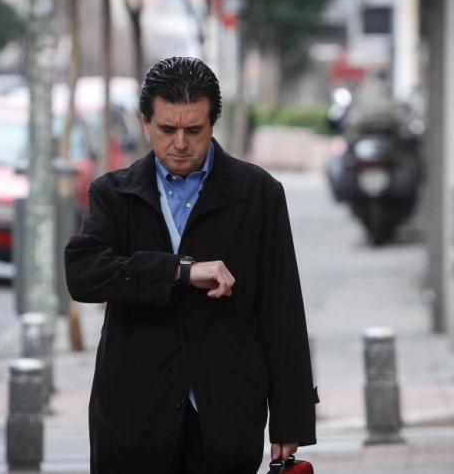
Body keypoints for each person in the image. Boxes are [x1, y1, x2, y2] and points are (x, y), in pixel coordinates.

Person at [65, 56, 317, 474]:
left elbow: (283, 310)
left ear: (212, 125)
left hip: (225, 418)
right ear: (146, 124)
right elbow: (83, 273)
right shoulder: (114, 195)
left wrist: (291, 420)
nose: (180, 143)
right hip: (132, 420)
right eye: (167, 129)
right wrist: (180, 271)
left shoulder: (258, 194)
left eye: (193, 130)